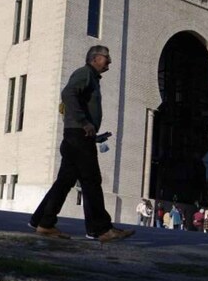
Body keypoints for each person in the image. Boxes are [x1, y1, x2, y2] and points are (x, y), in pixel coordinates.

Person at [27, 45, 133, 242]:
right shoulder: (85, 73)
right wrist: (84, 123)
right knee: (91, 180)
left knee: (65, 181)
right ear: (94, 58)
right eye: (106, 57)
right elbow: (68, 94)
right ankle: (100, 229)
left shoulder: (91, 77)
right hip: (78, 137)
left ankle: (43, 222)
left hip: (78, 136)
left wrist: (95, 136)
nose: (109, 61)